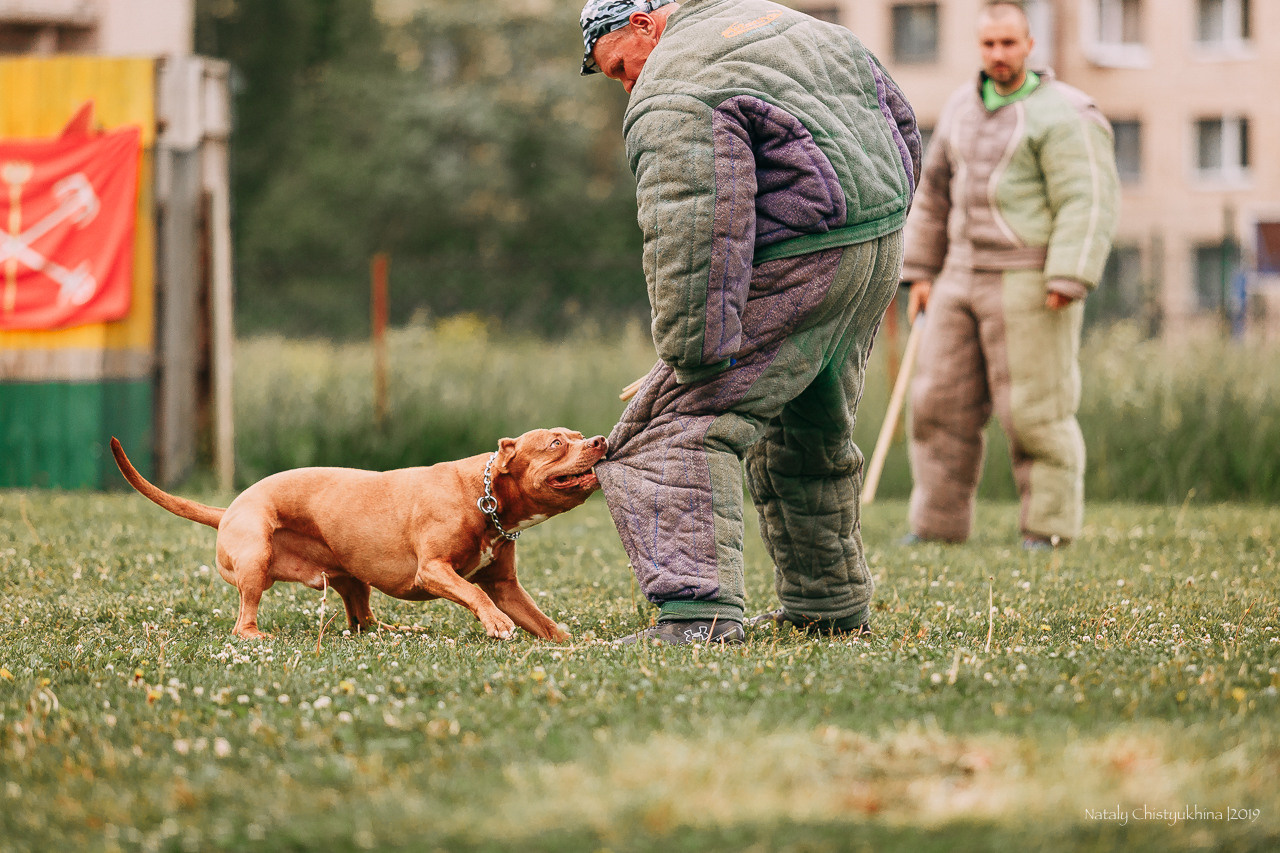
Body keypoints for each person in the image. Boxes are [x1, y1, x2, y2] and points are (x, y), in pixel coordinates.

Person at [579, 0, 921, 644]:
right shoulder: (788, 23)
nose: (629, 86)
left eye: (623, 68)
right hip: (874, 246)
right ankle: (828, 603)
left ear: (646, 25)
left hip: (802, 261)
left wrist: (692, 348)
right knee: (807, 431)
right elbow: (899, 121)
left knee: (672, 428)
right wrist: (880, 229)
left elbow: (695, 221)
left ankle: (696, 618)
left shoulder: (674, 83)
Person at [900, 1, 1120, 551]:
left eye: (1009, 43)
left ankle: (1047, 529)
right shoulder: (960, 106)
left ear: (1029, 44)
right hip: (957, 274)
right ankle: (935, 526)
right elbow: (933, 195)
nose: (998, 54)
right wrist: (921, 270)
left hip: (1029, 277)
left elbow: (1087, 197)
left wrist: (1069, 274)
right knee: (936, 405)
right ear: (979, 47)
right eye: (989, 44)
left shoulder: (1067, 111)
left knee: (1035, 410)